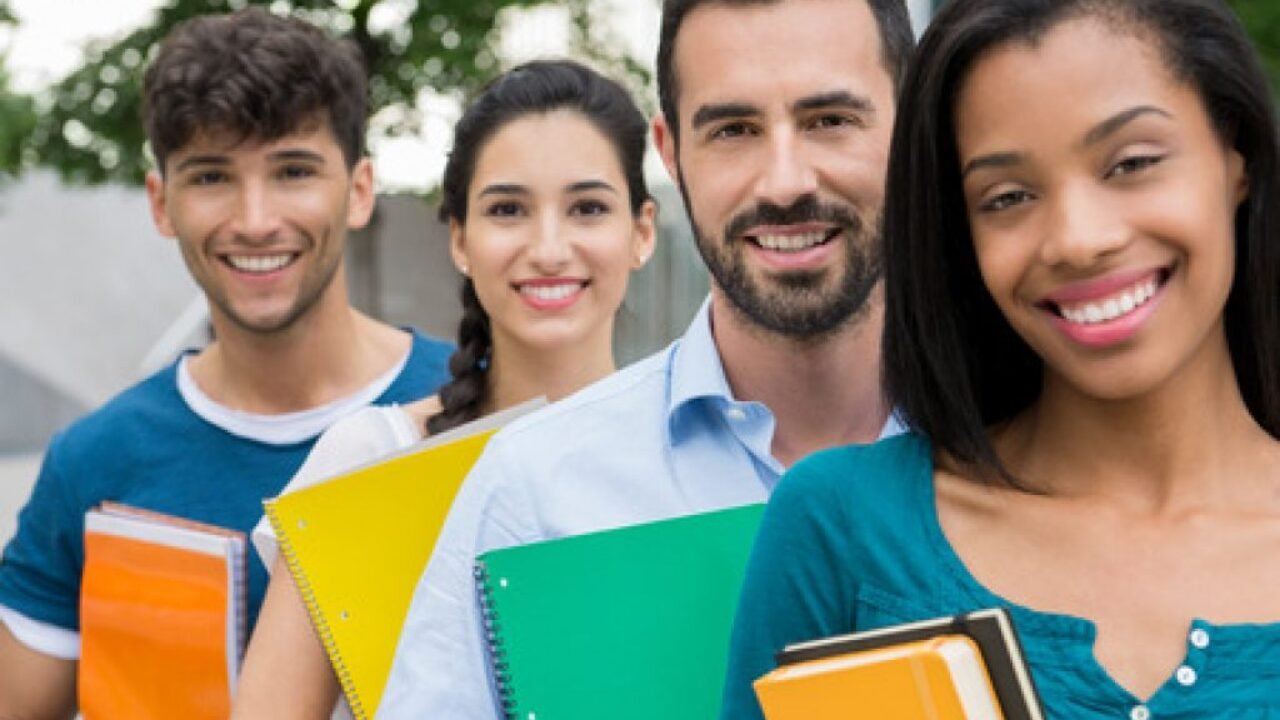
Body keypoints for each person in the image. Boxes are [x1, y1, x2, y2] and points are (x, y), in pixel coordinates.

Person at [721, 0, 1280, 717]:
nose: (1078, 240)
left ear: (1236, 160)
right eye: (1007, 196)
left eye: (1132, 163)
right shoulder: (842, 528)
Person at [375, 0, 916, 716]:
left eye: (829, 121)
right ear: (670, 151)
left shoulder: (1037, 447)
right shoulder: (532, 493)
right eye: (734, 130)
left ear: (912, 122)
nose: (785, 182)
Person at [0, 9, 455, 718]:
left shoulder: (470, 410)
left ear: (359, 190)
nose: (254, 218)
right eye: (212, 176)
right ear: (163, 203)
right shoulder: (93, 463)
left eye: (293, 170)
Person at [229, 59, 657, 720]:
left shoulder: (692, 454)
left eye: (588, 208)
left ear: (642, 233)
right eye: (508, 209)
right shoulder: (369, 459)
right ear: (460, 238)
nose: (548, 247)